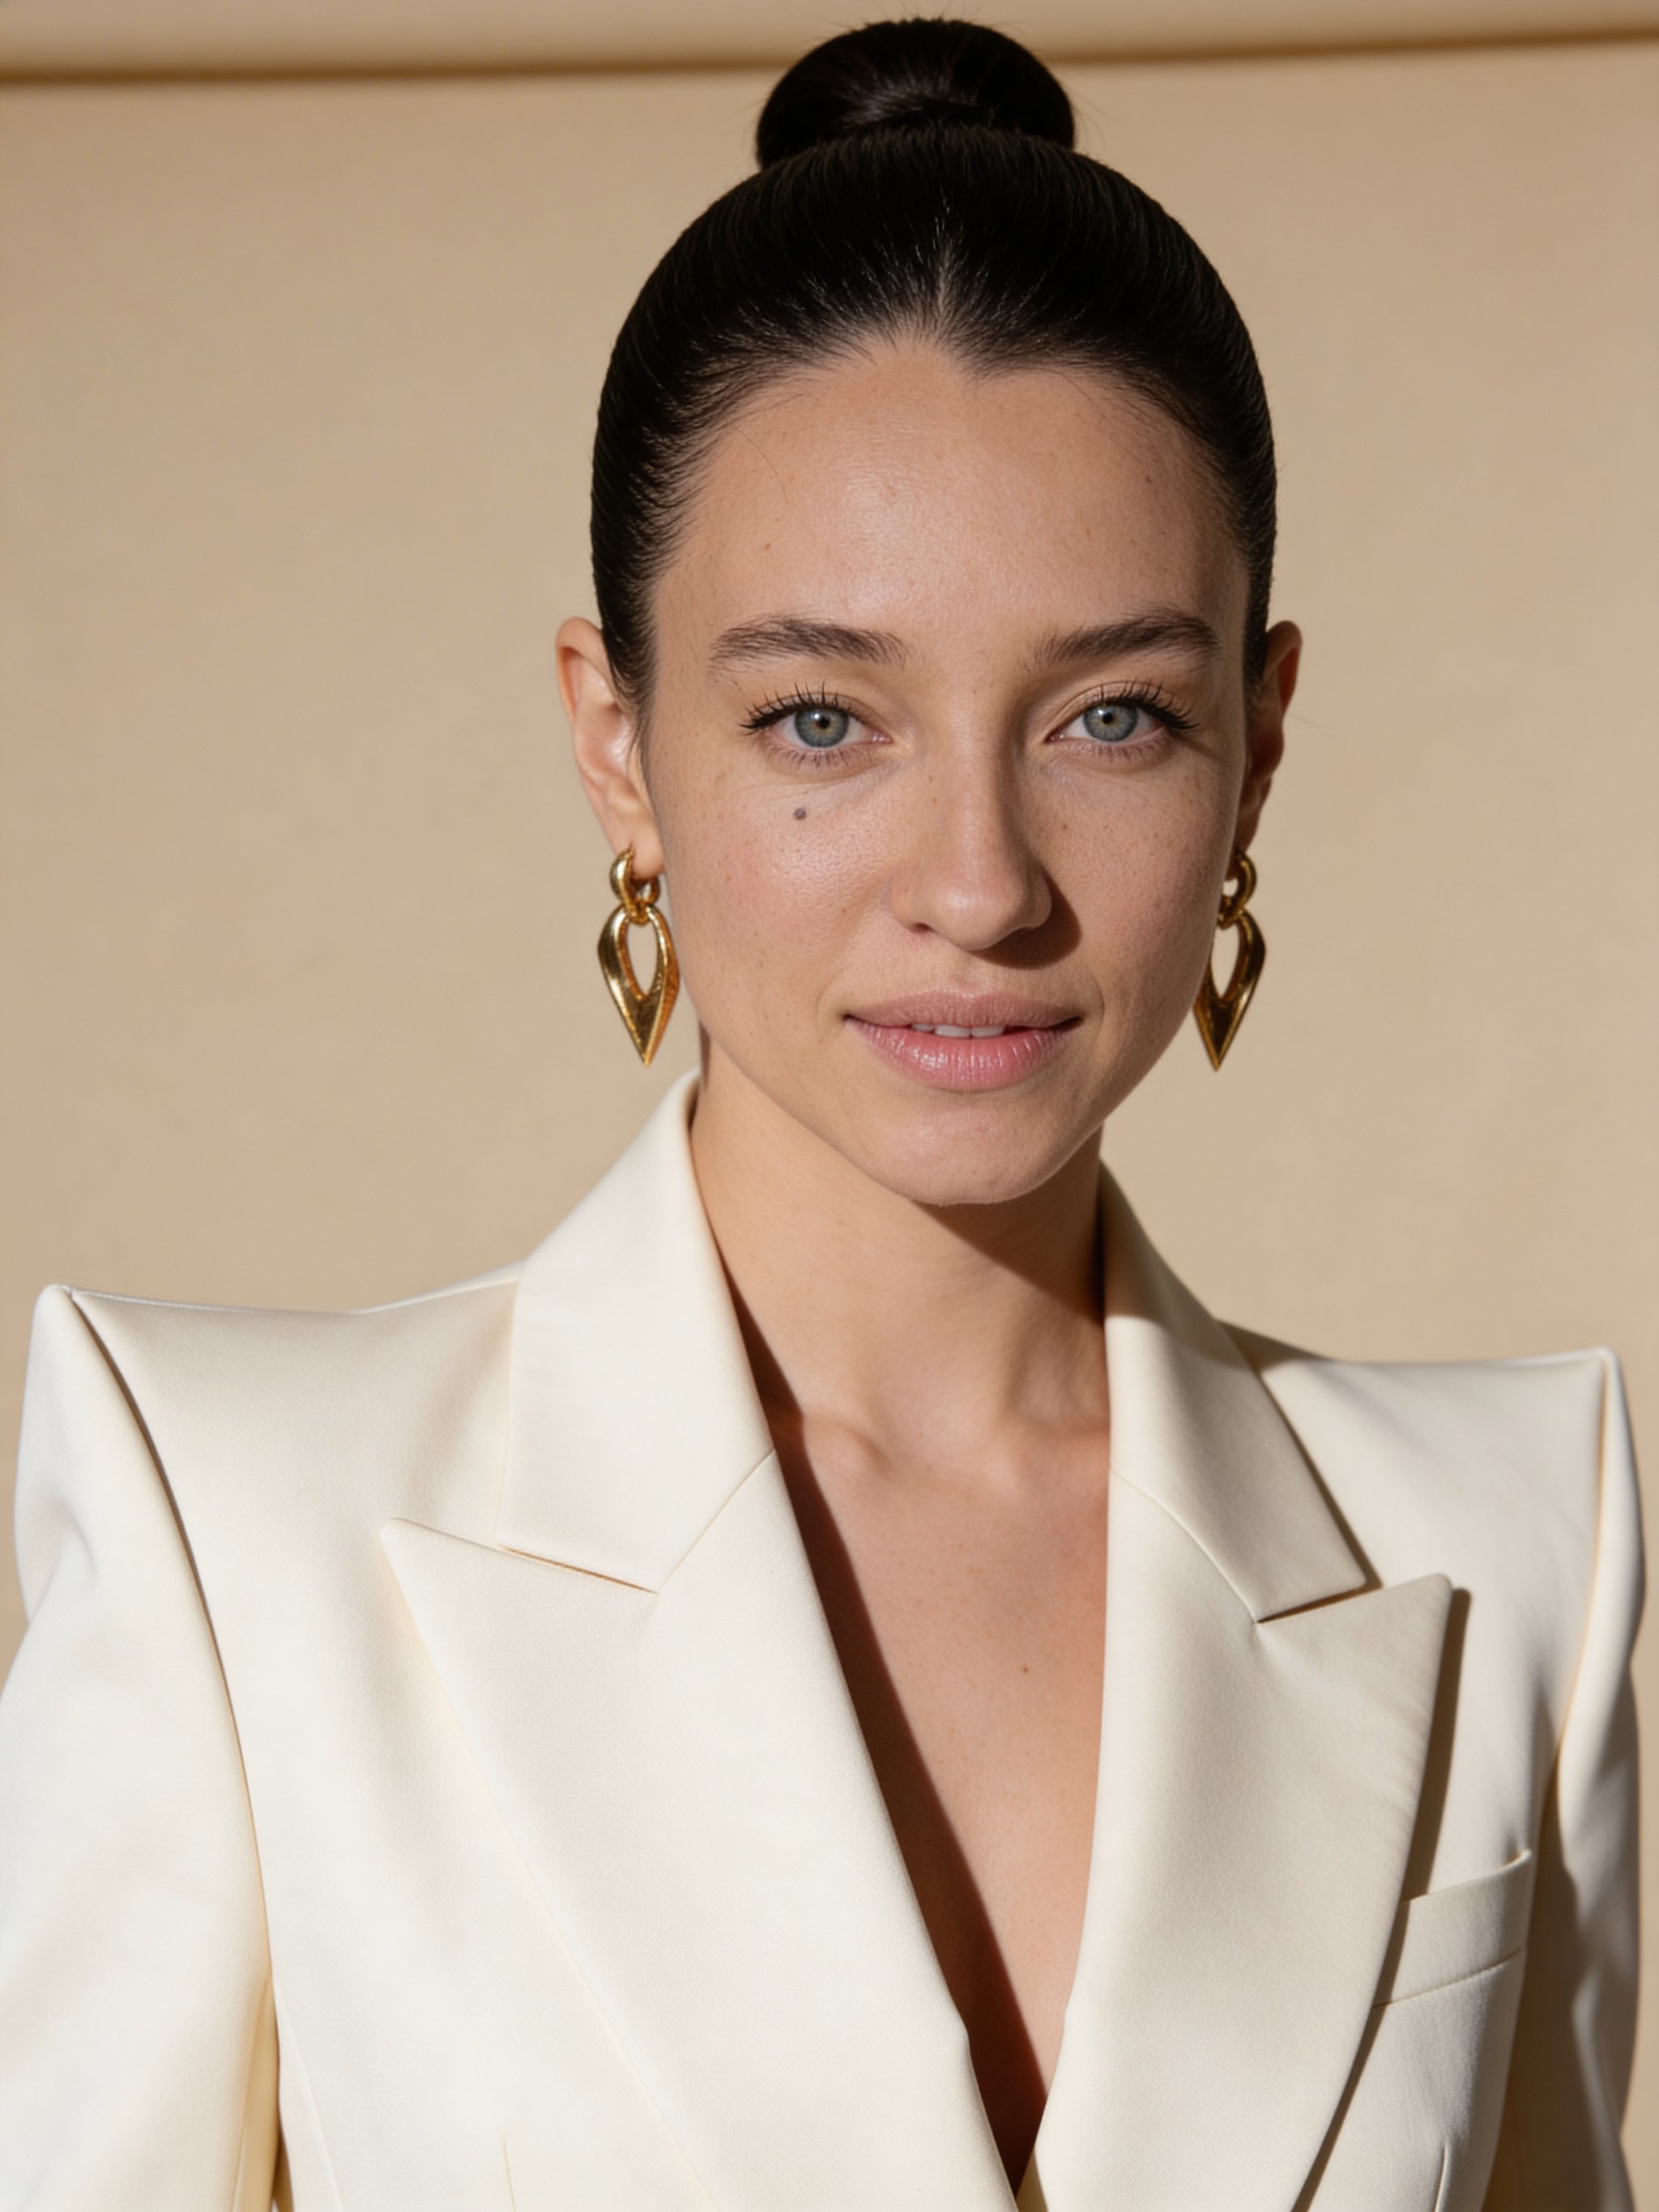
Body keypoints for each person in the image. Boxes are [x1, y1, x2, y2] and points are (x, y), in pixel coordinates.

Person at [0, 19, 1640, 2210]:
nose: (978, 880)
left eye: (1113, 716)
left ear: (1259, 743)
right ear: (618, 743)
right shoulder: (236, 1531)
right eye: (820, 718)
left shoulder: (1513, 1540)